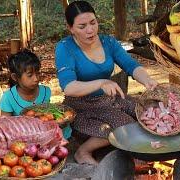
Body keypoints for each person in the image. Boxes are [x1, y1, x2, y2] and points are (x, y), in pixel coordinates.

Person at [55, 0, 158, 165]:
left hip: (110, 100)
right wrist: (101, 83)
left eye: (93, 23)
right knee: (126, 125)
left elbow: (131, 65)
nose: (90, 30)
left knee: (147, 112)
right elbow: (68, 87)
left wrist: (147, 79)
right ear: (70, 28)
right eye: (82, 26)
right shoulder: (64, 47)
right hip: (81, 105)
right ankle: (83, 151)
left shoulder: (108, 42)